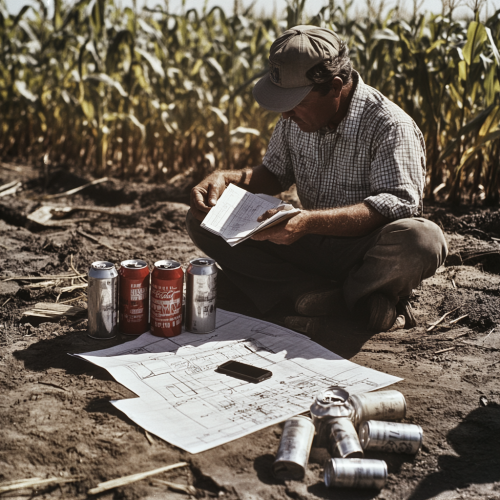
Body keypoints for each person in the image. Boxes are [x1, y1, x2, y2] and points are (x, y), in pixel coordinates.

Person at [186, 25, 448, 333]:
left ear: (335, 87)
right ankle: (317, 292)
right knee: (202, 218)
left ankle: (343, 294)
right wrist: (227, 179)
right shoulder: (294, 118)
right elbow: (273, 174)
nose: (285, 115)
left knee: (422, 240)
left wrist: (308, 222)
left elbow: (399, 207)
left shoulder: (390, 126)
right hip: (305, 242)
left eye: (295, 102)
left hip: (362, 253)